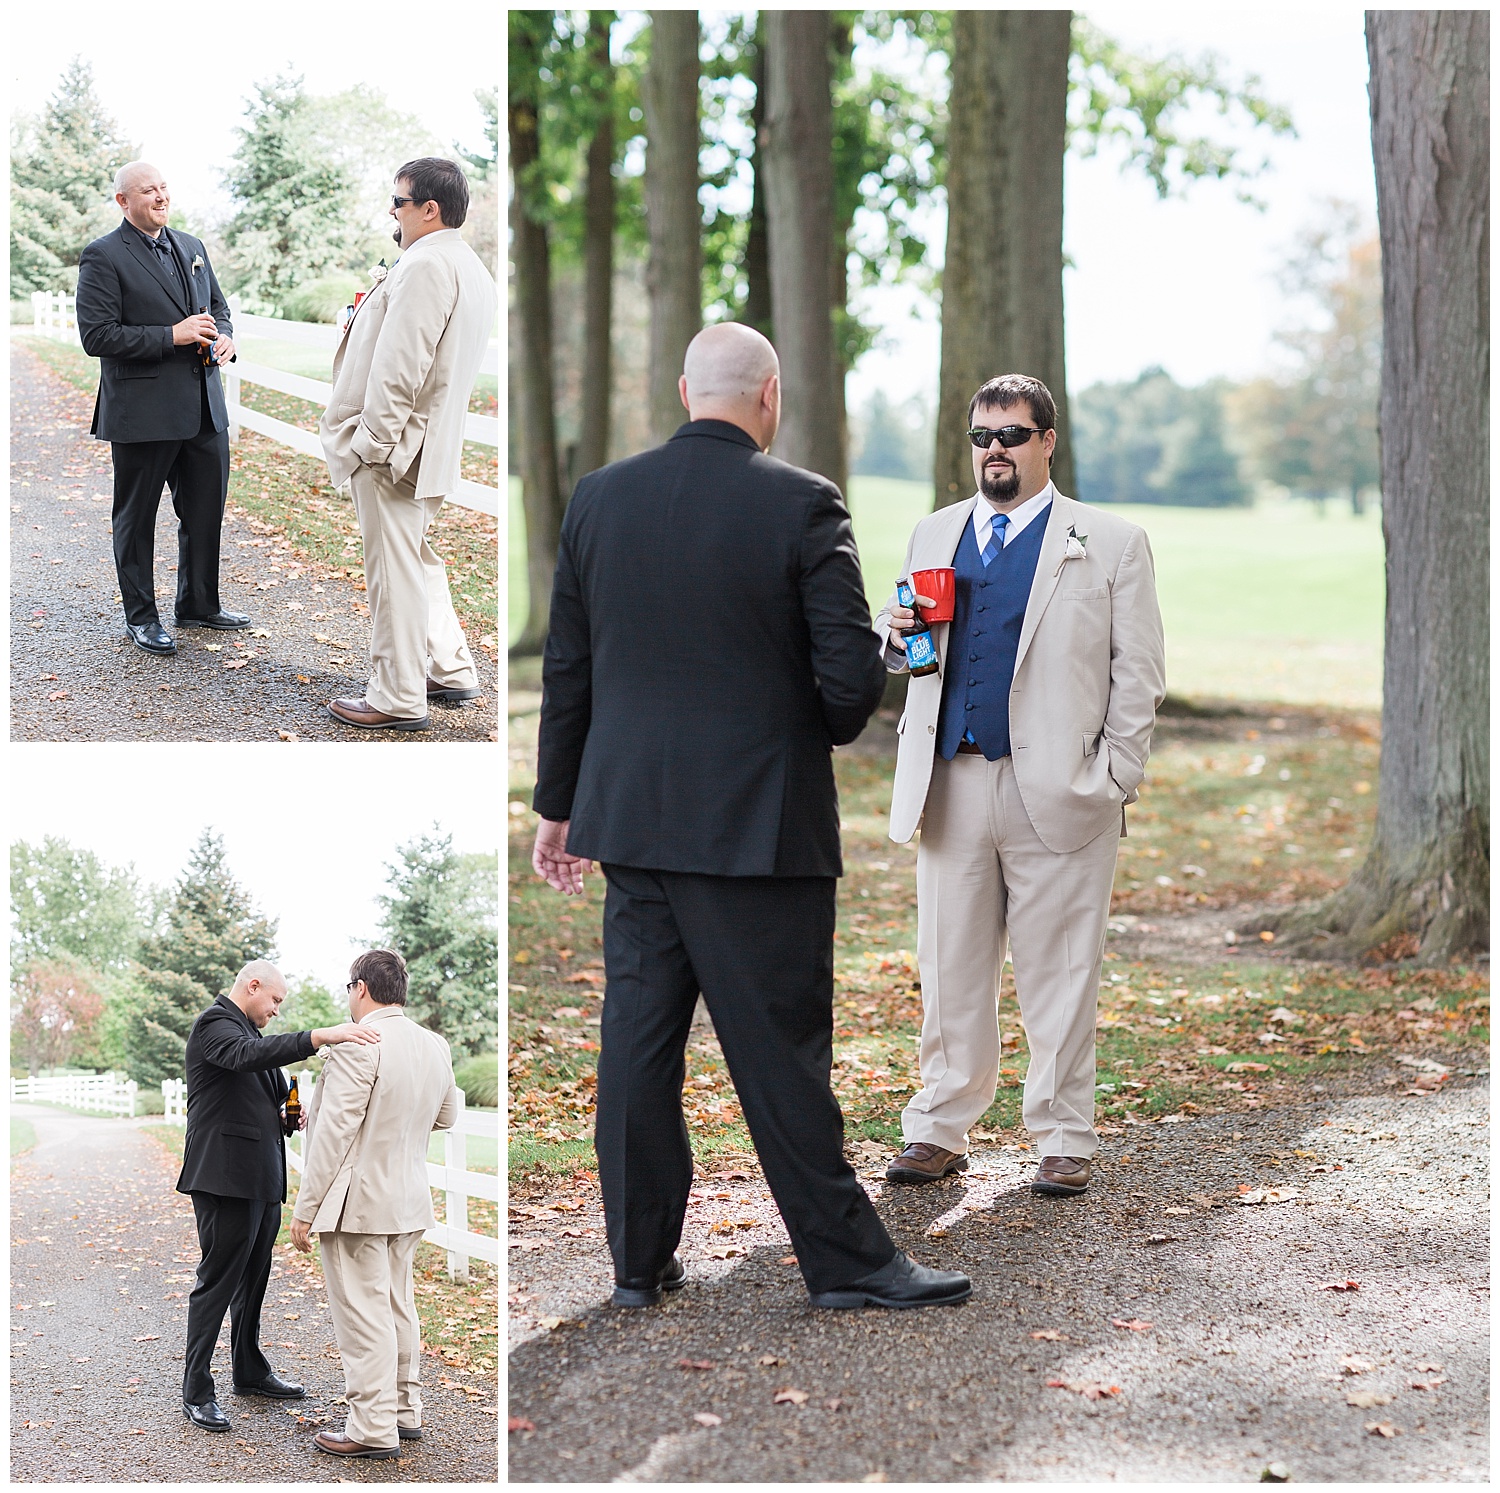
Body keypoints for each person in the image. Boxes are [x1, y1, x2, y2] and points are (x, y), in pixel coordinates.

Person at [530, 322, 970, 1312]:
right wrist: (877, 644)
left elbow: (571, 668)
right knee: (780, 1056)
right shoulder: (804, 503)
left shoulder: (599, 497)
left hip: (633, 825)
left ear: (688, 388)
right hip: (758, 832)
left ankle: (638, 1263)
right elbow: (844, 698)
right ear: (769, 394)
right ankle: (848, 1261)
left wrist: (557, 807)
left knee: (637, 1050)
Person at [876, 374, 1166, 1194]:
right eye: (981, 436)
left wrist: (1114, 776)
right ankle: (938, 1125)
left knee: (1062, 969)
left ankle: (1065, 1133)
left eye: (1011, 433)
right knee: (950, 965)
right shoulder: (934, 532)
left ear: (1047, 441)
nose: (993, 449)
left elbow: (1138, 676)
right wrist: (893, 637)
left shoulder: (1108, 541)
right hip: (950, 782)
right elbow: (908, 654)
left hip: (1065, 788)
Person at [318, 158, 498, 731]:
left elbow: (403, 364)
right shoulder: (470, 267)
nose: (391, 212)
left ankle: (396, 695)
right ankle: (450, 668)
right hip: (431, 444)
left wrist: (371, 440)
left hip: (397, 447)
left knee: (392, 568)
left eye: (398, 202)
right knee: (416, 558)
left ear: (429, 209)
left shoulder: (425, 264)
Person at [176, 959, 382, 1432]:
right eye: (274, 1000)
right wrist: (321, 1036)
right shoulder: (215, 1024)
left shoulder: (248, 1035)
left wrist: (287, 1115)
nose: (275, 1011)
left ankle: (249, 1371)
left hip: (262, 1180)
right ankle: (196, 1389)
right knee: (219, 1280)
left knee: (254, 1279)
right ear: (252, 986)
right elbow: (244, 1058)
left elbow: (262, 1087)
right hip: (223, 1178)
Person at [290, 950, 459, 1460]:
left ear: (360, 988)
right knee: (398, 1307)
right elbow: (447, 1116)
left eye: (348, 988)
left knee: (365, 1316)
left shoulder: (358, 1043)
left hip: (357, 1204)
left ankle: (371, 1427)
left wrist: (305, 1209)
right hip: (408, 1197)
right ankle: (404, 1412)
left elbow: (331, 1135)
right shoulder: (435, 1045)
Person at [75, 162, 246, 656]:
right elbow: (97, 336)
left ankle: (198, 604)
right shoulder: (103, 256)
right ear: (123, 201)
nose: (160, 196)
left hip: (204, 409)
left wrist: (226, 337)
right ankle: (142, 617)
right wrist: (172, 335)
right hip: (143, 413)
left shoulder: (192, 247)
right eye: (148, 190)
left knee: (205, 512)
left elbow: (218, 307)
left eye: (164, 188)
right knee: (137, 517)